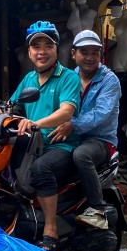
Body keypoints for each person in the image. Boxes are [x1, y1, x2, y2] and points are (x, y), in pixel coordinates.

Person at [14, 21, 81, 251]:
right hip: (32, 145)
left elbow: (66, 111)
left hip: (61, 146)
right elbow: (12, 108)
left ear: (56, 49)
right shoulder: (28, 80)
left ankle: (50, 229)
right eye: (36, 46)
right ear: (29, 52)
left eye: (47, 45)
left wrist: (35, 123)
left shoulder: (68, 77)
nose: (41, 51)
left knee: (40, 170)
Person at [49, 30, 121, 230]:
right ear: (73, 53)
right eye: (84, 52)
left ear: (100, 55)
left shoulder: (109, 80)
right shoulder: (68, 78)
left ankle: (98, 209)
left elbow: (101, 113)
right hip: (71, 136)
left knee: (82, 155)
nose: (90, 57)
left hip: (100, 141)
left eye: (94, 52)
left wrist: (73, 125)